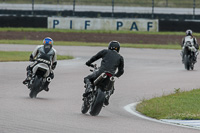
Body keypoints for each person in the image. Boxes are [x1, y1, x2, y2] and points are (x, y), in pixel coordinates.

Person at [83, 41, 124, 105]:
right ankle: (107, 96)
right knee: (112, 89)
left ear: (109, 47)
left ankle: (89, 88)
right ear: (118, 48)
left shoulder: (105, 51)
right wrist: (116, 75)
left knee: (87, 78)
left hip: (101, 72)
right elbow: (121, 71)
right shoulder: (120, 57)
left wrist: (88, 63)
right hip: (111, 76)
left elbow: (95, 57)